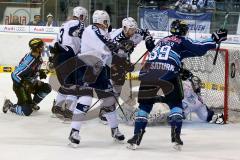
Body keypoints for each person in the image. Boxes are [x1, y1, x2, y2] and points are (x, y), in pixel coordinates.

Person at [126, 19, 227, 150]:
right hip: (168, 73)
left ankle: (136, 137)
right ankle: (176, 137)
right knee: (175, 104)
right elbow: (199, 48)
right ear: (183, 30)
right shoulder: (182, 40)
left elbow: (155, 49)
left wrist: (148, 40)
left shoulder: (162, 41)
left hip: (149, 73)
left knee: (144, 106)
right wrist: (215, 38)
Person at [68, 10, 130, 147]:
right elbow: (108, 45)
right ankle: (74, 132)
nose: (107, 24)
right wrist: (120, 50)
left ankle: (114, 130)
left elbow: (106, 54)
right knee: (86, 98)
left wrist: (121, 62)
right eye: (106, 22)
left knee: (109, 98)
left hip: (98, 68)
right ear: (103, 21)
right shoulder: (93, 29)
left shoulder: (102, 32)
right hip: (86, 65)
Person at [98, 17, 151, 124]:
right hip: (109, 61)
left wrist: (149, 42)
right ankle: (104, 110)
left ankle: (108, 107)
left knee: (118, 87)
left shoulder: (137, 32)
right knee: (113, 86)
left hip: (122, 59)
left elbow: (146, 33)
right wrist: (125, 64)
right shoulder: (115, 38)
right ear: (125, 28)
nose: (133, 31)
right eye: (131, 29)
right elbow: (109, 53)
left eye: (134, 29)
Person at [50, 6, 88, 119]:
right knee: (76, 84)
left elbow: (54, 43)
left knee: (66, 84)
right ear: (81, 16)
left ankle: (57, 107)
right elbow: (79, 34)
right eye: (84, 17)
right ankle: (69, 110)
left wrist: (52, 59)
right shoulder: (78, 23)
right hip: (68, 55)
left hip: (58, 57)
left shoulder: (64, 24)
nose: (84, 19)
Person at [2, 38, 51, 116]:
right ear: (37, 48)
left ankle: (32, 104)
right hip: (20, 87)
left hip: (29, 84)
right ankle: (10, 105)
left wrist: (39, 75)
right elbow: (14, 74)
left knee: (47, 87)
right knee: (26, 111)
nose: (43, 47)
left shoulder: (38, 58)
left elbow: (33, 72)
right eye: (41, 46)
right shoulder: (29, 61)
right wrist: (24, 84)